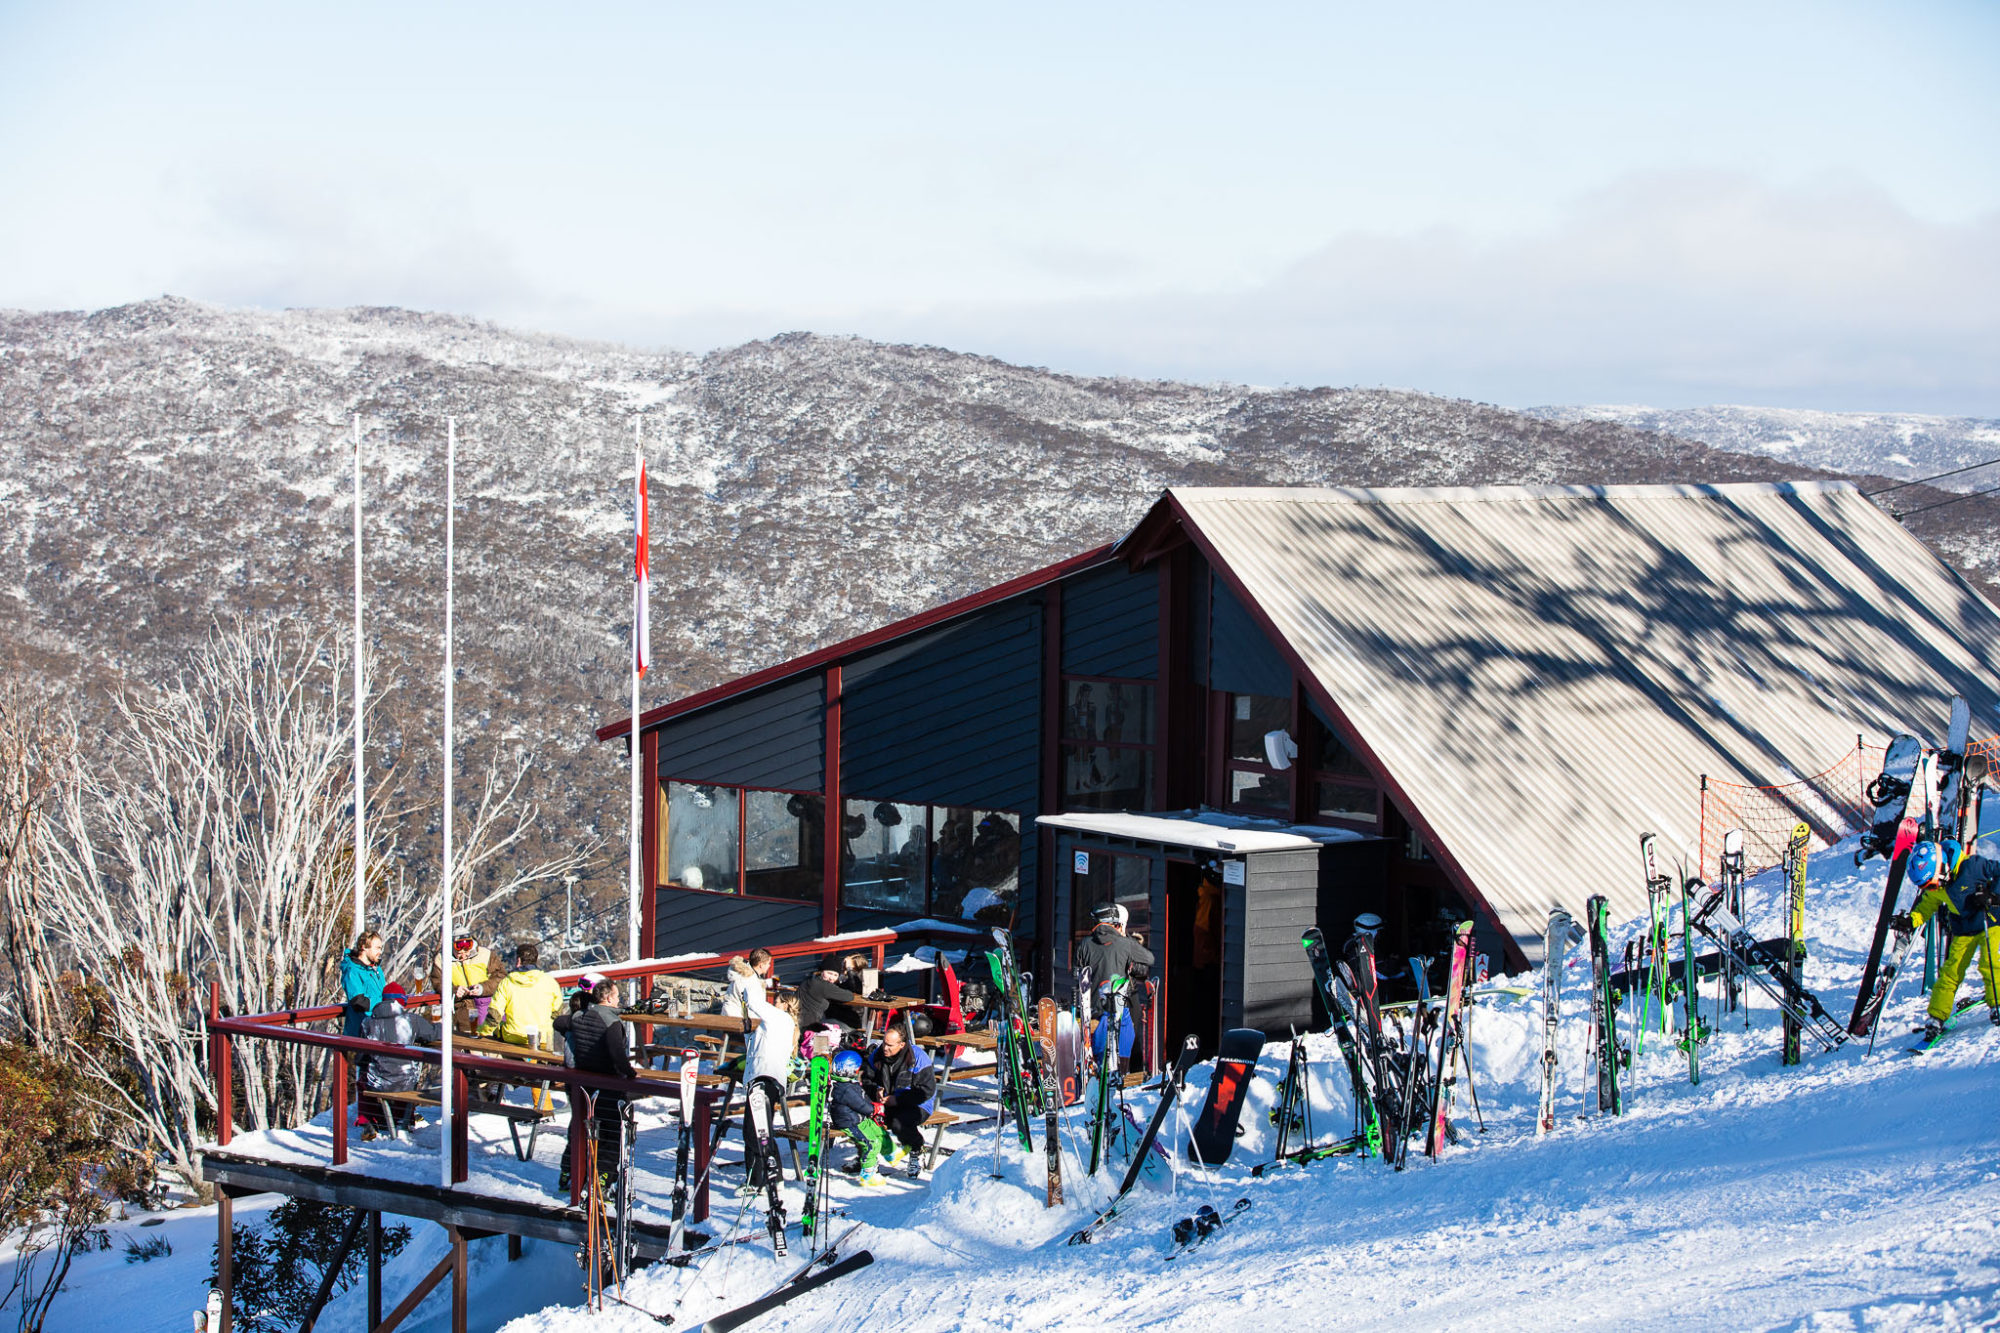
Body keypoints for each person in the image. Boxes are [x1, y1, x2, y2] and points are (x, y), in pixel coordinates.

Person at [1894, 840, 2000, 1042]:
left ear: (1942, 867)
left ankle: (1997, 1002)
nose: (1933, 889)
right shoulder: (1938, 888)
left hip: (1990, 920)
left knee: (1989, 963)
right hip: (1964, 929)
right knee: (1950, 972)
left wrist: (1992, 895)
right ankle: (1937, 1016)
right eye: (1927, 887)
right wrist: (1910, 921)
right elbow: (1926, 906)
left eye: (1932, 884)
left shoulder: (1973, 866)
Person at [554, 975, 637, 1190]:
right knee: (610, 1132)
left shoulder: (580, 1015)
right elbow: (617, 1054)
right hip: (608, 1084)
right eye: (617, 996)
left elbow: (559, 1022)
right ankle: (603, 1178)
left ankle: (568, 1173)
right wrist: (630, 1074)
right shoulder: (611, 1022)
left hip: (582, 1082)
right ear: (608, 998)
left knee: (580, 1127)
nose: (619, 1000)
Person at [1073, 903, 1153, 1072]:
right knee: (1129, 1036)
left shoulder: (1086, 943)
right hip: (1125, 997)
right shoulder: (1125, 943)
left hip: (1095, 1000)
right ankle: (1126, 1072)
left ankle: (1101, 1068)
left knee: (1103, 1033)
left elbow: (1078, 972)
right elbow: (1145, 964)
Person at [739, 987, 801, 1188]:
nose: (774, 1004)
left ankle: (761, 1179)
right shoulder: (777, 1024)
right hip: (760, 1077)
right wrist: (748, 1033)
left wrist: (747, 986)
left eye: (777, 1001)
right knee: (758, 1128)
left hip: (765, 1078)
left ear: (785, 1004)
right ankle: (771, 1176)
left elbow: (757, 1004)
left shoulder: (780, 1019)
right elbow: (755, 1050)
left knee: (755, 1130)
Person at [360, 982, 437, 1138]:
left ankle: (368, 1120)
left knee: (363, 1076)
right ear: (401, 1001)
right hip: (405, 1082)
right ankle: (404, 1119)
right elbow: (434, 1034)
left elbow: (362, 1054)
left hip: (378, 1084)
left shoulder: (367, 1022)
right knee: (408, 1074)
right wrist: (440, 1024)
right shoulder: (411, 1020)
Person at [862, 1023, 935, 1177]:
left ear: (902, 1045)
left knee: (898, 1122)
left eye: (889, 1045)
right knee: (861, 1117)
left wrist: (898, 1100)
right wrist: (876, 1090)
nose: (885, 1048)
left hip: (917, 1104)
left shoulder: (918, 1058)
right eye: (884, 1043)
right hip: (886, 1101)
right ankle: (867, 1156)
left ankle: (916, 1149)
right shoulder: (877, 1055)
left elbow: (926, 1091)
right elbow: (867, 1080)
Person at [480, 942, 563, 1051]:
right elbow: (557, 1013)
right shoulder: (550, 982)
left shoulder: (507, 983)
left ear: (518, 961)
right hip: (542, 1039)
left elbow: (494, 1015)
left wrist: (483, 1032)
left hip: (513, 1037)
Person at [828, 1048, 893, 1187]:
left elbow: (862, 1100)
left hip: (856, 1118)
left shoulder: (848, 1085)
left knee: (878, 1130)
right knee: (871, 1143)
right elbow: (860, 1105)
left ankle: (890, 1152)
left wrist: (872, 1106)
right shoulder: (845, 1088)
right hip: (848, 1122)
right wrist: (873, 1109)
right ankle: (867, 1174)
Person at [432, 935, 501, 1033]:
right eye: (459, 953)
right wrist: (454, 990)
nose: (463, 956)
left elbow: (500, 977)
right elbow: (437, 982)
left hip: (487, 1005)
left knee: (491, 1039)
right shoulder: (441, 959)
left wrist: (483, 988)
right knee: (469, 1040)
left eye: (467, 952)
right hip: (462, 1007)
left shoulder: (485, 954)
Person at [340, 930, 388, 1039]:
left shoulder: (376, 969)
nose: (380, 952)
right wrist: (385, 1003)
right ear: (364, 947)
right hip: (360, 1033)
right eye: (377, 948)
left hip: (379, 1030)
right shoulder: (352, 971)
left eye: (380, 948)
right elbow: (358, 1002)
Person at [797, 953, 861, 1033]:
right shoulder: (825, 986)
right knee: (851, 1028)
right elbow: (849, 996)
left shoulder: (809, 981)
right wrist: (849, 969)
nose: (831, 978)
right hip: (809, 1028)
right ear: (822, 971)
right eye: (829, 973)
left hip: (797, 1022)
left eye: (835, 975)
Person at [722, 949, 775, 1018]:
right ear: (761, 965)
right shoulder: (750, 981)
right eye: (768, 963)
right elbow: (753, 1007)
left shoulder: (745, 975)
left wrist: (764, 983)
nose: (769, 966)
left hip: (729, 1013)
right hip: (736, 1018)